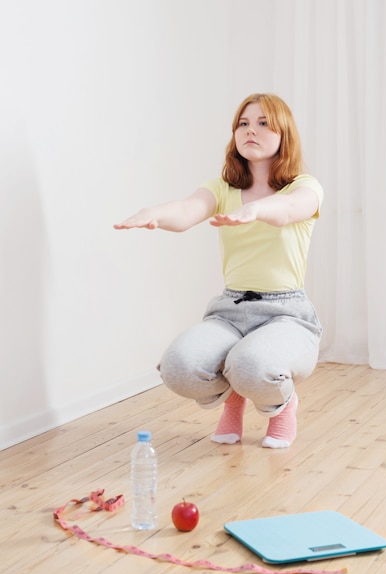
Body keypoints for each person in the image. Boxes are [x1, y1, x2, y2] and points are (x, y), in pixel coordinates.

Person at [114, 93, 323, 448]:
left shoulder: (304, 186)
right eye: (242, 123)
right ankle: (235, 396)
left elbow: (289, 209)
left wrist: (256, 211)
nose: (249, 130)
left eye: (262, 123)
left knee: (252, 364)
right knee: (179, 366)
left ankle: (282, 405)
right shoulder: (223, 189)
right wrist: (155, 213)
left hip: (286, 314)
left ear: (283, 133)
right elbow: (186, 210)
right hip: (231, 310)